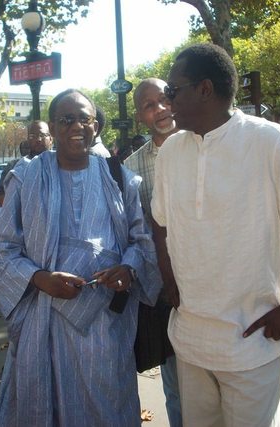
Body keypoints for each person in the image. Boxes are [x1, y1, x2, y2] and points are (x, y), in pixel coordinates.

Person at [151, 43, 280, 427]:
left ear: (205, 90)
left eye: (173, 90)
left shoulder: (270, 142)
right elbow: (159, 219)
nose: (167, 102)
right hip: (191, 339)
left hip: (251, 343)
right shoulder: (171, 153)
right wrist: (168, 274)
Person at [0, 89, 162, 426]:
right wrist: (40, 279)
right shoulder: (27, 176)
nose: (76, 126)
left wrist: (128, 268)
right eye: (67, 119)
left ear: (95, 126)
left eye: (85, 118)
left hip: (104, 330)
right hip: (43, 323)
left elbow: (142, 242)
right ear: (52, 126)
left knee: (106, 408)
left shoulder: (118, 176)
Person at [124, 77, 182, 427]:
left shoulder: (205, 145)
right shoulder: (130, 170)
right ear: (140, 117)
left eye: (164, 99)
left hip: (216, 284)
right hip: (167, 291)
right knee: (176, 385)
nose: (160, 109)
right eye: (149, 105)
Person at [0, 120, 53, 207]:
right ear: (28, 140)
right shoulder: (15, 166)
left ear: (51, 139)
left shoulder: (62, 164)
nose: (38, 139)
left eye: (42, 135)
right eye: (32, 136)